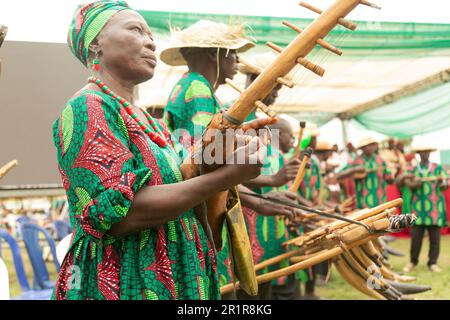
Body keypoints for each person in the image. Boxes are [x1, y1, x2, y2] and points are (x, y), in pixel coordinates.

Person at [52, 1, 268, 300]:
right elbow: (122, 216)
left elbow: (186, 175)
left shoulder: (149, 122)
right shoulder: (88, 108)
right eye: (136, 30)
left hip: (175, 276)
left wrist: (229, 146)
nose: (150, 41)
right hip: (128, 281)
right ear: (95, 44)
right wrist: (227, 176)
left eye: (150, 33)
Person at [161, 20, 254, 151]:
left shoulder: (190, 83)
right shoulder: (197, 87)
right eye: (233, 52)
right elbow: (206, 152)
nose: (237, 59)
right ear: (212, 53)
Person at [402, 146, 448, 273]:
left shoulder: (437, 168)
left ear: (430, 153)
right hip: (417, 209)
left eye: (427, 152)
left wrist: (443, 183)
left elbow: (445, 185)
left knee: (435, 239)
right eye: (422, 152)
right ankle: (412, 261)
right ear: (418, 154)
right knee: (416, 238)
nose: (425, 154)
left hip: (434, 209)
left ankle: (432, 263)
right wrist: (414, 183)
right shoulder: (413, 169)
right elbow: (406, 184)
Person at [338, 137, 393, 209]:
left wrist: (390, 177)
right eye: (368, 146)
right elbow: (339, 175)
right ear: (362, 148)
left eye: (372, 145)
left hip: (380, 200)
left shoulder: (380, 160)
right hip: (363, 202)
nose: (370, 147)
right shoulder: (355, 160)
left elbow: (389, 177)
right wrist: (354, 169)